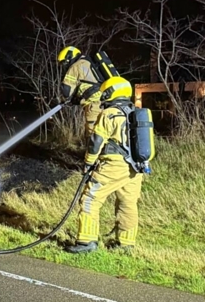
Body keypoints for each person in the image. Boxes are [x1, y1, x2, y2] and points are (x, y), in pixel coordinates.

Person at [68, 77, 144, 254]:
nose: (103, 96)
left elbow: (96, 141)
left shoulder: (109, 113)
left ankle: (86, 241)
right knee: (128, 203)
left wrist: (88, 162)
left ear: (112, 92)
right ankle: (126, 244)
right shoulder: (136, 113)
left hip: (113, 166)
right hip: (136, 167)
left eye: (105, 93)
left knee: (90, 199)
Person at [58, 46, 109, 141]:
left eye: (65, 62)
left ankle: (97, 150)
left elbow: (66, 90)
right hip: (105, 101)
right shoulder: (88, 62)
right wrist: (77, 99)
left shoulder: (75, 66)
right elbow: (88, 84)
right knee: (105, 130)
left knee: (93, 133)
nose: (65, 66)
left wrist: (65, 98)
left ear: (69, 57)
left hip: (94, 104)